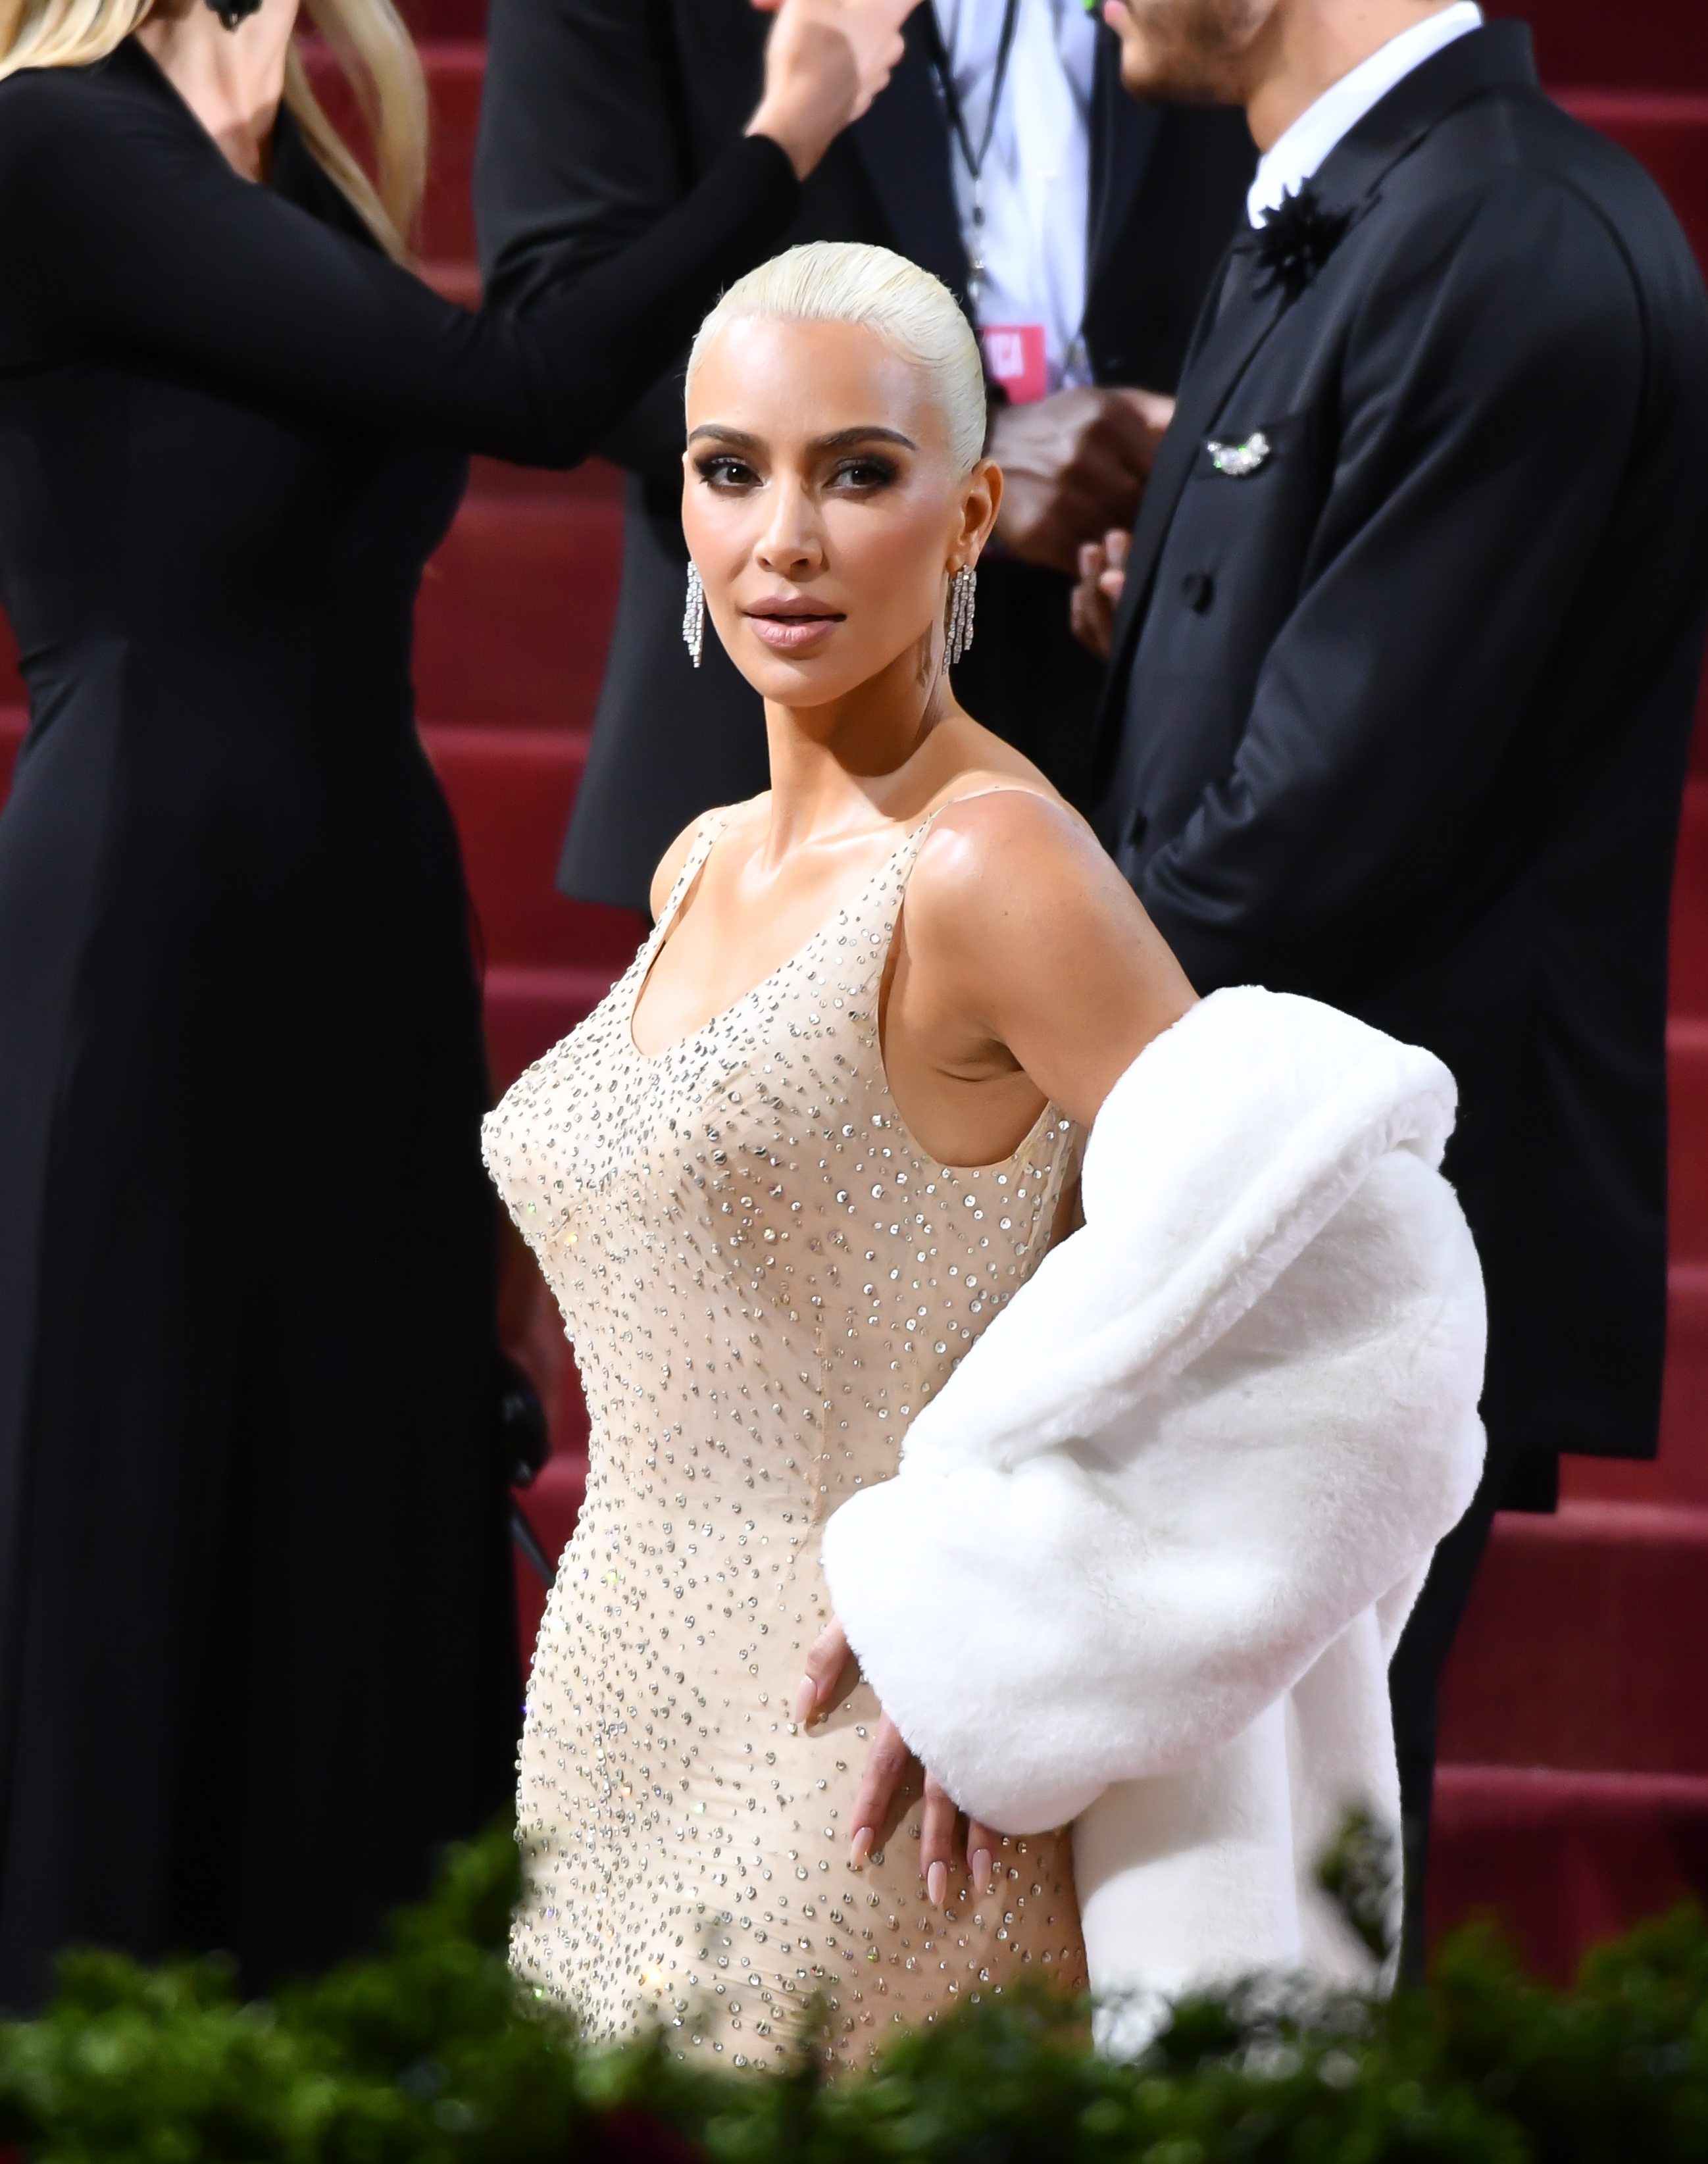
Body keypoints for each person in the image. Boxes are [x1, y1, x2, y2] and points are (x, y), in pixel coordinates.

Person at [0, 0, 915, 2007]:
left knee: (369, 1465)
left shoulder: (299, 176)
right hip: (153, 909)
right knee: (148, 1471)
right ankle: (94, 2052)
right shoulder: (51, 143)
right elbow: (526, 380)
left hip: (353, 911)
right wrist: (783, 133)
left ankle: (352, 2036)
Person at [485, 240, 1486, 2064]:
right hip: (610, 1719)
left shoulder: (987, 864)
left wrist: (1024, 1647)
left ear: (967, 521)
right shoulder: (698, 857)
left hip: (856, 1772)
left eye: (856, 473)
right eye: (733, 469)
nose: (783, 533)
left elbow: (1345, 1273)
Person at [1071, 0, 1708, 1970]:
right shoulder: (1368, 212)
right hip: (1265, 1191)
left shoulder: (1501, 240)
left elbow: (1319, 836)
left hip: (1361, 1236)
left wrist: (986, 1030)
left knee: (1277, 1933)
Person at [473, 0, 1257, 915]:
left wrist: (1219, 474)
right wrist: (948, 452)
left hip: (1173, 697)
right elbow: (564, 320)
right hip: (781, 735)